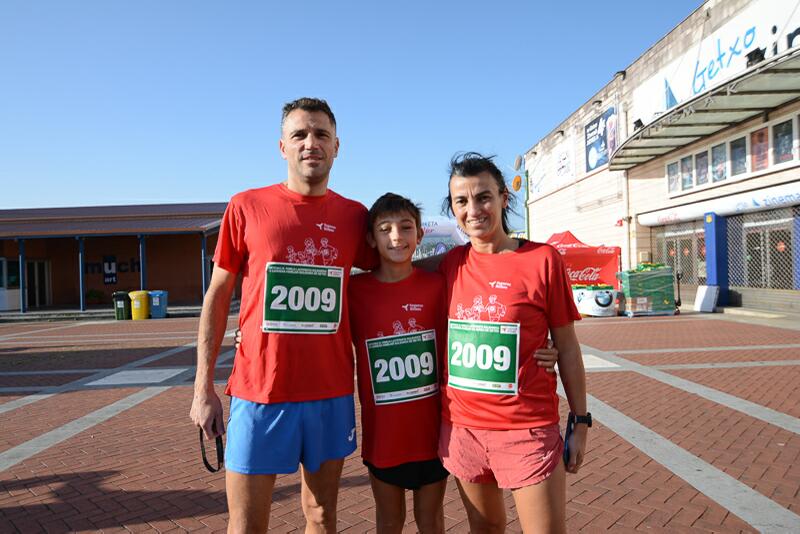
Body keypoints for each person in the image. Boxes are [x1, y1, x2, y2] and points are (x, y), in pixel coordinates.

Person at [189, 97, 378, 533]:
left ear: (336, 146)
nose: (310, 143)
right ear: (282, 147)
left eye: (321, 135)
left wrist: (481, 259)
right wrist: (203, 388)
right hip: (260, 394)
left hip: (330, 395)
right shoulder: (246, 206)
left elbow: (396, 271)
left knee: (321, 516)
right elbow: (218, 295)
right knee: (248, 524)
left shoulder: (355, 216)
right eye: (299, 134)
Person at [435, 152, 588, 534]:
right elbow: (392, 264)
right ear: (453, 208)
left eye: (483, 196)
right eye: (462, 201)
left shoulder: (542, 260)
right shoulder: (448, 265)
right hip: (462, 430)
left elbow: (567, 347)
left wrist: (581, 421)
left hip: (526, 429)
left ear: (504, 198)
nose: (474, 210)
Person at [348, 193, 449, 533]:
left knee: (431, 522)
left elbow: (476, 326)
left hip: (433, 434)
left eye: (406, 228)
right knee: (390, 522)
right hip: (384, 438)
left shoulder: (439, 286)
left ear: (420, 234)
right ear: (370, 238)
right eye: (385, 229)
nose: (396, 237)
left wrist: (542, 344)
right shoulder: (353, 291)